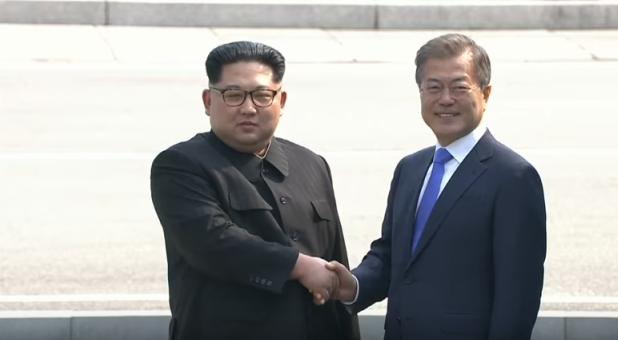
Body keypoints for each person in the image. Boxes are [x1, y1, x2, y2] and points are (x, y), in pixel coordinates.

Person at [326, 33, 547, 340]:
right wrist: (354, 285)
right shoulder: (410, 168)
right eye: (433, 87)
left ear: (486, 93)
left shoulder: (513, 178)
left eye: (459, 87)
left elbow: (517, 298)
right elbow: (391, 255)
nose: (445, 99)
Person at [150, 41, 359, 340]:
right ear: (209, 101)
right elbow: (213, 242)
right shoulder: (181, 165)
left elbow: (335, 262)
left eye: (262, 95)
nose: (248, 108)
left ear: (281, 101)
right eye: (233, 95)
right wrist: (298, 266)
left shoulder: (311, 164)